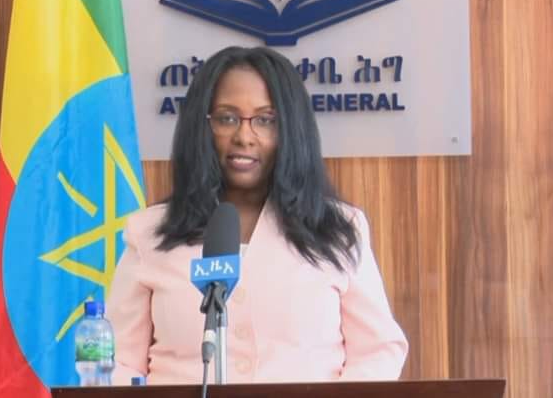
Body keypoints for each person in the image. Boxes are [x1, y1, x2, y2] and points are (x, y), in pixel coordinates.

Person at [107, 46, 408, 385]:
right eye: (227, 118)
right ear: (202, 127)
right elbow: (118, 363)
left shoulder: (338, 229)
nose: (244, 137)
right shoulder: (150, 233)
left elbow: (377, 352)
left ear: (291, 130)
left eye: (265, 120)